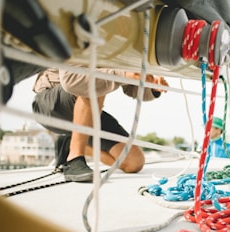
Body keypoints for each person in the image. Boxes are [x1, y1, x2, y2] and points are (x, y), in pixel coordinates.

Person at [32, 68, 168, 182]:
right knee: (93, 83)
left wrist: (153, 86)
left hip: (87, 109)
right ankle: (75, 158)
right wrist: (123, 74)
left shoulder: (122, 48)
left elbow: (131, 88)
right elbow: (72, 80)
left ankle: (71, 144)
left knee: (134, 162)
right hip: (50, 105)